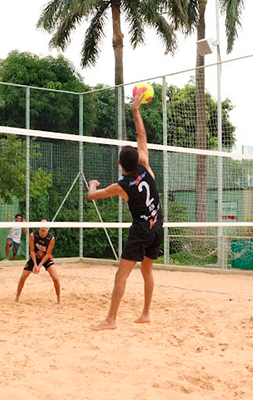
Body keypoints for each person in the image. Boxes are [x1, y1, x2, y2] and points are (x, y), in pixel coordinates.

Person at [86, 89, 162, 331]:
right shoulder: (145, 165)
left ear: (119, 163)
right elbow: (141, 134)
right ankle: (146, 313)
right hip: (157, 226)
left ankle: (110, 320)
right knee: (147, 270)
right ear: (137, 159)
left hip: (141, 230)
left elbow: (92, 196)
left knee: (121, 275)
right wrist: (135, 109)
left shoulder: (121, 186)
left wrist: (92, 183)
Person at [15, 219, 61, 303]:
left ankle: (58, 298)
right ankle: (17, 297)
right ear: (39, 225)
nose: (44, 226)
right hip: (35, 257)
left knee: (55, 277)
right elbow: (32, 251)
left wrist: (39, 266)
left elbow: (48, 254)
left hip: (46, 258)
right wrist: (35, 264)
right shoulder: (33, 235)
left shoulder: (51, 238)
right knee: (23, 277)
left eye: (45, 224)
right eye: (42, 224)